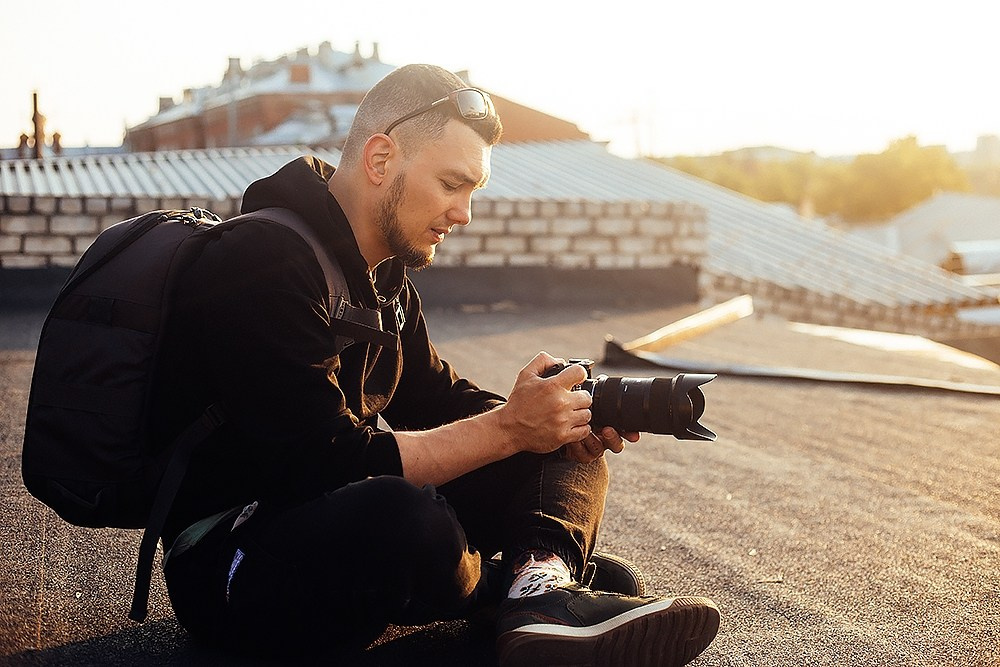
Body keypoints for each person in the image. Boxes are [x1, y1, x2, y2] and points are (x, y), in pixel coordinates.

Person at [152, 63, 720, 666]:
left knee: (553, 441)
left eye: (473, 189)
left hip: (333, 520)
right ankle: (521, 595)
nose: (465, 212)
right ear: (381, 161)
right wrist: (506, 431)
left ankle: (538, 592)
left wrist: (551, 416)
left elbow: (442, 400)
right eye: (452, 184)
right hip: (233, 562)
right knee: (406, 519)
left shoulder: (385, 279)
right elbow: (316, 461)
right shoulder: (260, 260)